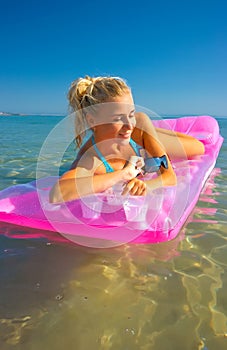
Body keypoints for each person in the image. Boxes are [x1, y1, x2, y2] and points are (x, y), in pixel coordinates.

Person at [49, 76, 204, 203]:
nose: (129, 124)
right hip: (135, 140)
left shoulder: (137, 126)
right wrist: (123, 174)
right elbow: (57, 194)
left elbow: (170, 177)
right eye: (118, 118)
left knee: (199, 148)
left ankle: (154, 132)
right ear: (92, 121)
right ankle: (152, 133)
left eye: (131, 114)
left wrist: (146, 185)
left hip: (139, 137)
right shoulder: (90, 159)